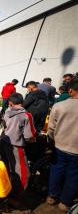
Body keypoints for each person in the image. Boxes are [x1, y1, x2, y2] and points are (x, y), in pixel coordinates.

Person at [46, 79, 78, 212]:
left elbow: (51, 129)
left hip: (60, 145)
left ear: (70, 90)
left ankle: (52, 196)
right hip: (76, 150)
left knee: (57, 171)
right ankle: (65, 203)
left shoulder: (60, 105)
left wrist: (51, 141)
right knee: (74, 175)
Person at [0, 93, 36, 194]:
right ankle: (18, 195)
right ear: (22, 102)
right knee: (23, 172)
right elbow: (29, 135)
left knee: (6, 167)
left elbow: (4, 125)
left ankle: (4, 189)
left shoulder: (7, 111)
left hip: (4, 141)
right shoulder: (26, 115)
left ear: (10, 103)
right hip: (16, 145)